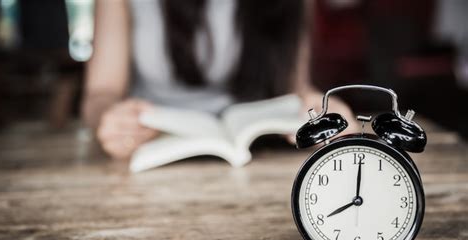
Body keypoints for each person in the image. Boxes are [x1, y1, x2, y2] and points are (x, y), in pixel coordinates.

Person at [82, 0, 357, 159]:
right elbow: (100, 93)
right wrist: (111, 118)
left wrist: (321, 109)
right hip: (152, 149)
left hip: (254, 155)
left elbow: (294, 87)